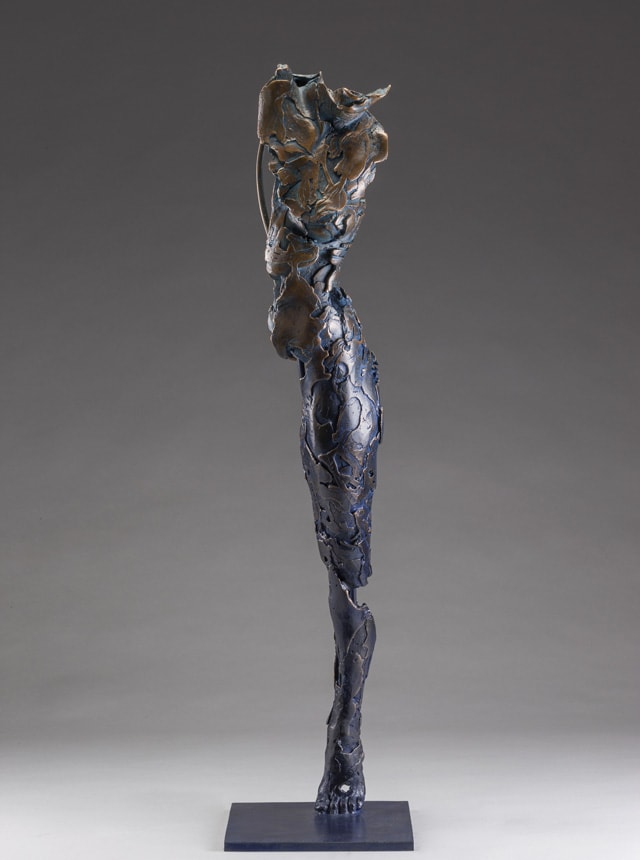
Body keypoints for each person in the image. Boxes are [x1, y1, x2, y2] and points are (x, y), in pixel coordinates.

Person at [257, 64, 389, 814]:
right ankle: (345, 740)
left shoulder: (320, 217)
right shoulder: (295, 213)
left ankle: (347, 741)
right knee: (339, 564)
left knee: (345, 574)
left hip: (337, 382)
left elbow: (287, 321)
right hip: (325, 367)